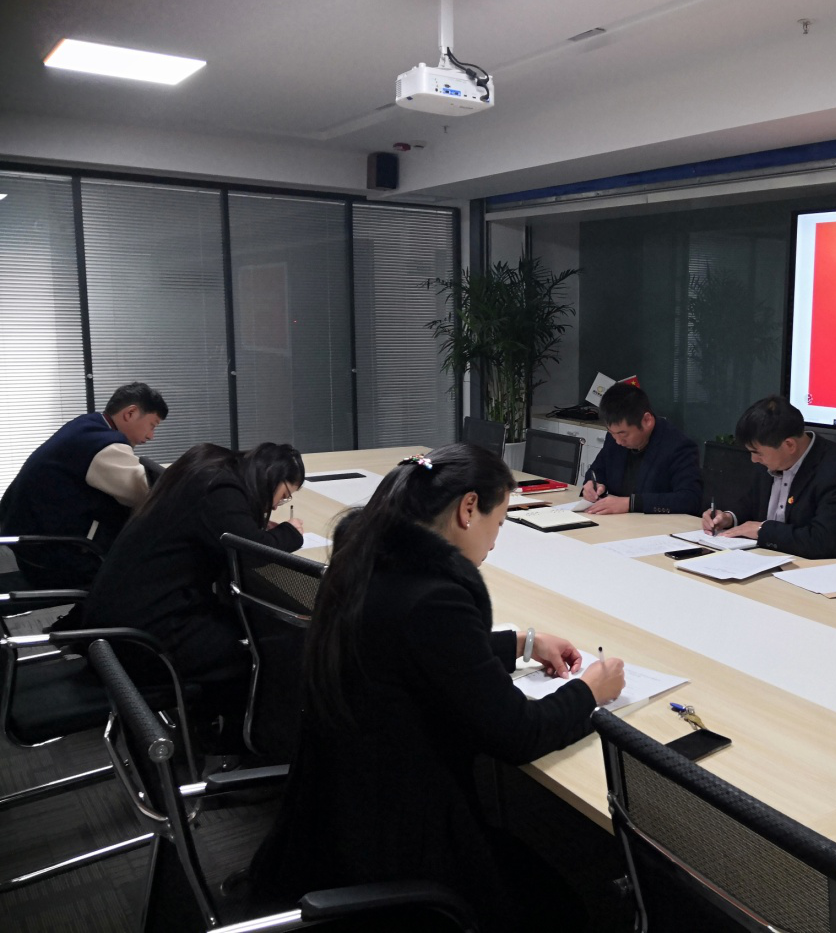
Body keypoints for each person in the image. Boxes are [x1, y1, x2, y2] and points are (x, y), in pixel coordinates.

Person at [250, 443, 626, 931]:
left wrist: (519, 643)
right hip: (401, 842)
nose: (496, 542)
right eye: (499, 523)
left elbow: (414, 646)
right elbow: (519, 734)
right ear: (468, 508)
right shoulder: (435, 597)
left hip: (343, 814)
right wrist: (591, 691)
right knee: (566, 908)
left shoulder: (370, 560)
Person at [64, 442, 306, 719]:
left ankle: (207, 719)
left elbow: (228, 530)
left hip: (116, 615)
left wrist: (250, 526)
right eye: (283, 496)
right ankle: (230, 734)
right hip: (140, 638)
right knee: (263, 649)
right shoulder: (221, 489)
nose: (275, 506)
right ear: (270, 476)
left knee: (240, 623)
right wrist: (290, 533)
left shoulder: (207, 464)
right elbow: (251, 554)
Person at [0, 382, 168, 587]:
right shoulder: (105, 446)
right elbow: (146, 493)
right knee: (145, 575)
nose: (151, 436)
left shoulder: (87, 425)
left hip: (31, 544)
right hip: (55, 557)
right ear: (130, 413)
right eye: (152, 425)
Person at [701, 395, 836, 559]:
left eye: (757, 453)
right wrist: (729, 518)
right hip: (764, 558)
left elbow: (825, 541)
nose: (754, 459)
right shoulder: (772, 457)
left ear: (789, 445)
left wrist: (763, 531)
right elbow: (751, 504)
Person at [579, 382, 702, 515]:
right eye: (611, 433)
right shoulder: (614, 438)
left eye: (623, 434)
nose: (618, 441)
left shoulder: (678, 446)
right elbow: (596, 471)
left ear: (647, 420)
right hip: (616, 522)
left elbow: (689, 499)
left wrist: (631, 503)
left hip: (656, 524)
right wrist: (592, 485)